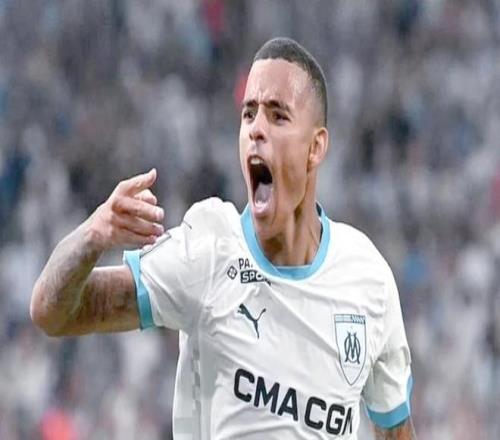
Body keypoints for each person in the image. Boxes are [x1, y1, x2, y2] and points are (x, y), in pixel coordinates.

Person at [31, 38, 416, 439]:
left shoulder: (368, 280)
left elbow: (396, 430)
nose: (256, 129)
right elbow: (50, 312)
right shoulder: (208, 253)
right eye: (248, 114)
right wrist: (93, 236)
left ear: (315, 147)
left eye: (278, 116)